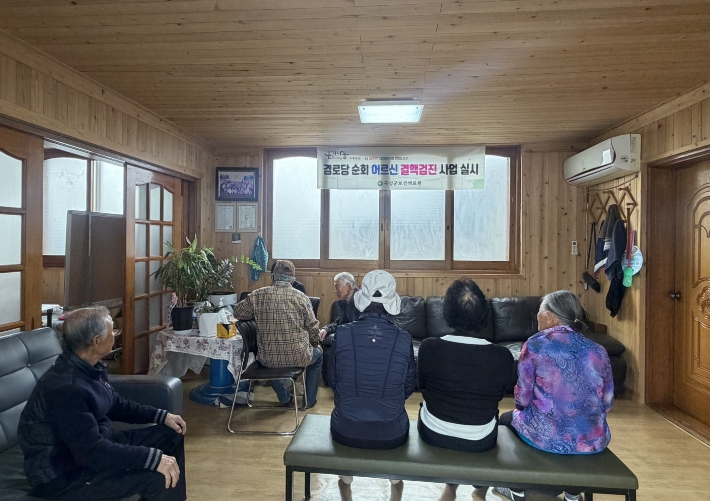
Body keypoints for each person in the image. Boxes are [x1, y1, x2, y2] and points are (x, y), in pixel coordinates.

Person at [18, 306, 187, 501]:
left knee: (172, 434)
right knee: (156, 477)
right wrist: (152, 459)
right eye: (112, 331)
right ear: (97, 341)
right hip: (64, 476)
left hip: (92, 449)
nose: (115, 335)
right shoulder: (67, 389)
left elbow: (115, 404)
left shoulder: (89, 367)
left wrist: (162, 416)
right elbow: (91, 453)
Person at [495, 290, 614, 501]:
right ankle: (572, 492)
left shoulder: (536, 344)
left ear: (550, 316)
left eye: (539, 311)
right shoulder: (598, 350)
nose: (537, 316)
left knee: (505, 420)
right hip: (592, 440)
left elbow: (522, 400)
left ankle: (516, 488)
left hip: (547, 437)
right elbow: (607, 401)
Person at [328, 270, 416, 494]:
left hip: (344, 427)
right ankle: (394, 478)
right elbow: (408, 387)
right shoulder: (404, 338)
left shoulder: (342, 333)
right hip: (392, 432)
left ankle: (346, 475)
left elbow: (333, 381)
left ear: (362, 299)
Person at [234, 259, 323, 409]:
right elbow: (313, 327)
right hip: (299, 357)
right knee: (318, 356)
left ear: (273, 277)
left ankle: (284, 398)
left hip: (267, 359)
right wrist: (315, 344)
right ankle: (309, 402)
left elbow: (238, 313)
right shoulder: (301, 297)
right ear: (293, 279)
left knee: (271, 358)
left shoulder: (257, 295)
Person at [319, 272, 360, 340]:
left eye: (337, 286)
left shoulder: (362, 302)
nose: (335, 291)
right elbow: (339, 323)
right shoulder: (343, 302)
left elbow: (359, 326)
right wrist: (326, 329)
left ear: (348, 286)